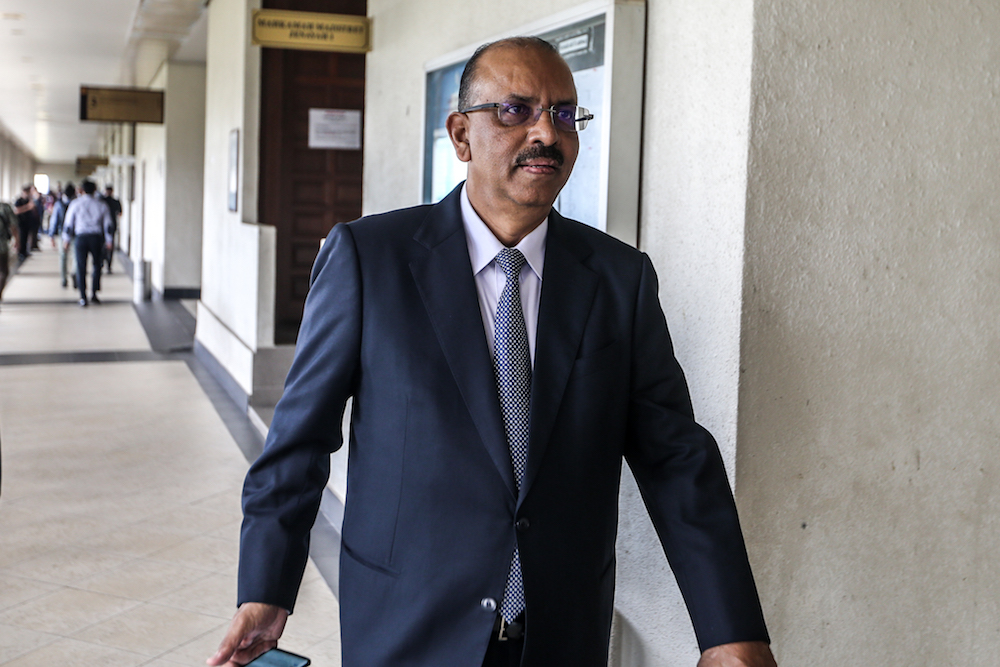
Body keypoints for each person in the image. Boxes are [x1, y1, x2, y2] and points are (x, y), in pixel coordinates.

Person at [209, 37, 777, 667]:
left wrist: (729, 629)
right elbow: (300, 439)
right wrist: (265, 587)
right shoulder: (371, 260)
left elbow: (676, 459)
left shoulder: (619, 280)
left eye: (564, 114)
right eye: (516, 111)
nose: (546, 132)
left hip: (560, 633)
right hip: (408, 627)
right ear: (461, 136)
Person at [63, 180, 112, 307]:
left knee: (81, 267)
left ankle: (83, 296)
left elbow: (69, 224)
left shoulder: (75, 204)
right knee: (97, 265)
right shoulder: (101, 205)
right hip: (96, 238)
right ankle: (94, 294)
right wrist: (109, 240)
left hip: (81, 238)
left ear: (82, 190)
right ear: (95, 190)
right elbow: (108, 225)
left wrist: (66, 239)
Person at [49, 183, 77, 288]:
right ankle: (74, 272)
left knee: (63, 256)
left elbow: (54, 220)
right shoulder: (77, 203)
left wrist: (51, 235)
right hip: (75, 233)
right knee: (76, 256)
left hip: (62, 233)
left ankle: (63, 279)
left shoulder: (58, 204)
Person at [13, 185, 38, 263]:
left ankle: (25, 251)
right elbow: (17, 211)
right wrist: (27, 207)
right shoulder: (19, 201)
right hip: (21, 222)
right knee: (22, 237)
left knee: (27, 237)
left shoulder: (28, 200)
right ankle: (21, 252)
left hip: (28, 222)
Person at [101, 185, 121, 273]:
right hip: (111, 226)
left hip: (104, 227)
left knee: (104, 246)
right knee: (108, 246)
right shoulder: (115, 201)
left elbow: (120, 213)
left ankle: (105, 263)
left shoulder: (102, 201)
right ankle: (107, 264)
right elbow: (120, 213)